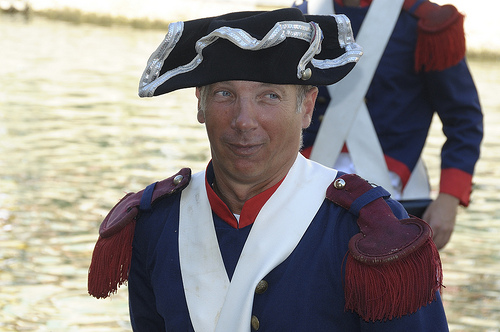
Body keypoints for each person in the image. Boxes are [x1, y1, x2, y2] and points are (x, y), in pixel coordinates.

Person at [87, 8, 449, 331]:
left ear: (307, 107)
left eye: (270, 96)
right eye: (225, 94)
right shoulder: (154, 224)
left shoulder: (370, 232)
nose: (245, 122)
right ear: (199, 103)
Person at [294, 0, 484, 250]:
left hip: (397, 193)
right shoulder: (300, 17)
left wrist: (449, 197)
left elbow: (463, 118)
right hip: (304, 188)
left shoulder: (426, 22)